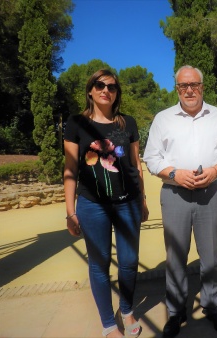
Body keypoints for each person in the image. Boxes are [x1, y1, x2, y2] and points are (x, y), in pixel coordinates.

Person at [143, 65, 217, 338]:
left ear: (202, 86)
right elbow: (151, 158)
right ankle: (176, 312)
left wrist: (215, 171)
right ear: (177, 88)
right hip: (174, 194)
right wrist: (175, 173)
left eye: (194, 85)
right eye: (183, 86)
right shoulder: (163, 119)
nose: (189, 90)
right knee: (175, 257)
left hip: (211, 194)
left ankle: (212, 307)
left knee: (211, 256)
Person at [64, 69, 149, 338]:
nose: (105, 90)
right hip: (92, 205)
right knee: (99, 264)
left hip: (128, 203)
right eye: (99, 85)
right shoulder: (76, 123)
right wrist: (69, 211)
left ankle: (126, 310)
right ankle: (108, 324)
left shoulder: (128, 123)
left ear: (117, 93)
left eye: (111, 87)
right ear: (90, 90)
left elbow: (136, 165)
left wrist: (143, 200)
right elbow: (70, 168)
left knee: (129, 261)